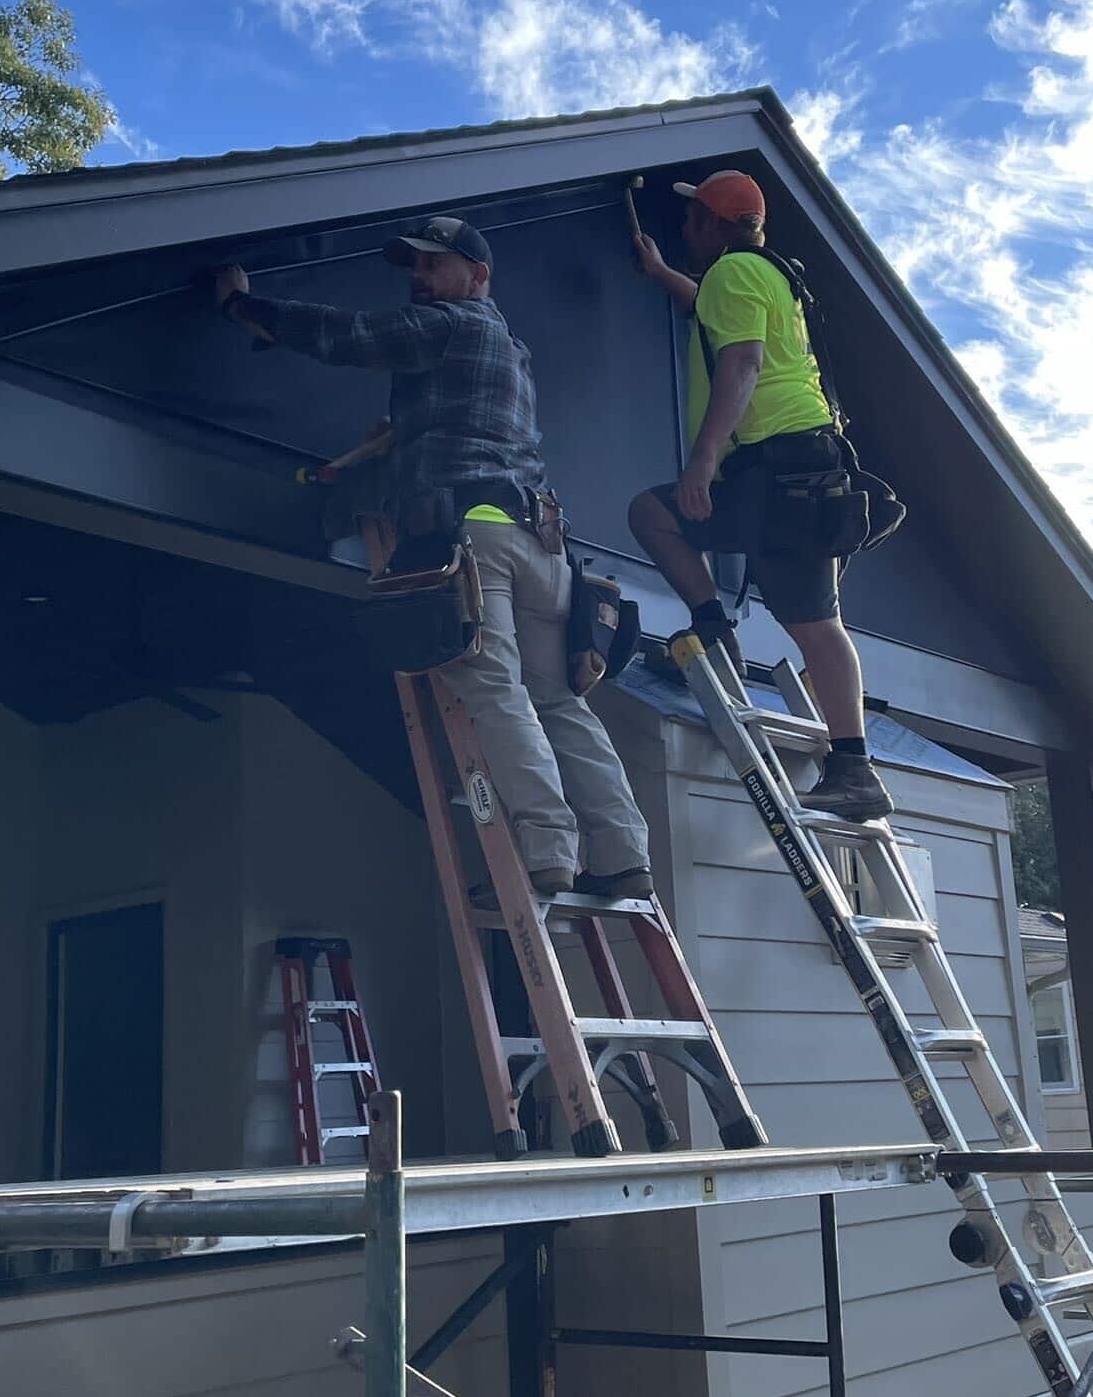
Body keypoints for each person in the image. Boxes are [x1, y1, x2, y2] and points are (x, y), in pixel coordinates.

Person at [213, 216, 654, 899]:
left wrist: (245, 307)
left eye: (433, 265)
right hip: (541, 542)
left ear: (477, 276)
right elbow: (458, 421)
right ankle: (624, 853)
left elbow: (350, 336)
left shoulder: (453, 324)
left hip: (478, 536)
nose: (418, 279)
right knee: (560, 703)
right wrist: (399, 437)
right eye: (413, 267)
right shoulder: (509, 350)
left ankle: (547, 852)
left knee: (495, 690)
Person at [627, 169, 893, 823]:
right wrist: (660, 273)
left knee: (812, 622)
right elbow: (713, 313)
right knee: (657, 516)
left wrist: (702, 460)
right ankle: (717, 635)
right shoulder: (761, 274)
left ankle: (853, 767)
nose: (684, 227)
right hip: (798, 467)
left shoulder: (732, 273)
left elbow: (742, 361)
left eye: (692, 218)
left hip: (779, 469)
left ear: (712, 224)